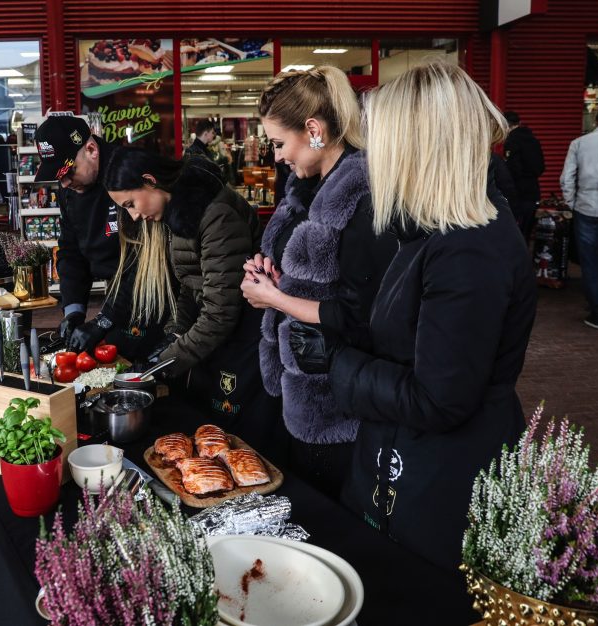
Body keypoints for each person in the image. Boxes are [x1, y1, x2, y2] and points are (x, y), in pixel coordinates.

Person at [290, 63, 536, 570]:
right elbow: (401, 333)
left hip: (441, 480)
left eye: (381, 139)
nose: (372, 155)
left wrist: (336, 363)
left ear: (417, 144)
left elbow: (439, 398)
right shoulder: (431, 231)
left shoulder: (470, 248)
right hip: (406, 460)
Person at [239, 66, 398, 497]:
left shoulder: (362, 196)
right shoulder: (306, 188)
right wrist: (270, 280)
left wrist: (275, 297)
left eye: (277, 143)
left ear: (313, 129)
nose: (275, 156)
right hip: (301, 380)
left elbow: (358, 316)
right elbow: (308, 281)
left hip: (335, 397)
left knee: (325, 502)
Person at [103, 148, 277, 450]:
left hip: (243, 339)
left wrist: (168, 360)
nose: (134, 215)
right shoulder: (179, 213)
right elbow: (189, 285)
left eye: (131, 204)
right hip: (215, 336)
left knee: (238, 443)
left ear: (150, 180)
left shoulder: (216, 215)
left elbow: (220, 312)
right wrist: (173, 335)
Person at [34, 115, 162, 359]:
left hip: (149, 289)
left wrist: (104, 320)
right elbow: (70, 250)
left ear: (91, 149)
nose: (64, 183)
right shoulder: (69, 191)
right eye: (58, 176)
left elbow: (144, 259)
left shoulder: (126, 174)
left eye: (69, 171)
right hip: (115, 290)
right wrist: (73, 311)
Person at [560, 107, 598, 330]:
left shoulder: (580, 143)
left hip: (587, 207)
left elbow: (567, 177)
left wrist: (571, 202)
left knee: (590, 263)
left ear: (596, 120)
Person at [503, 111, 545, 239]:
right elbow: (541, 167)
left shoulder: (512, 141)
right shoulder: (533, 140)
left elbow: (512, 169)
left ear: (507, 125)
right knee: (526, 232)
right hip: (533, 191)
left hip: (518, 194)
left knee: (514, 234)